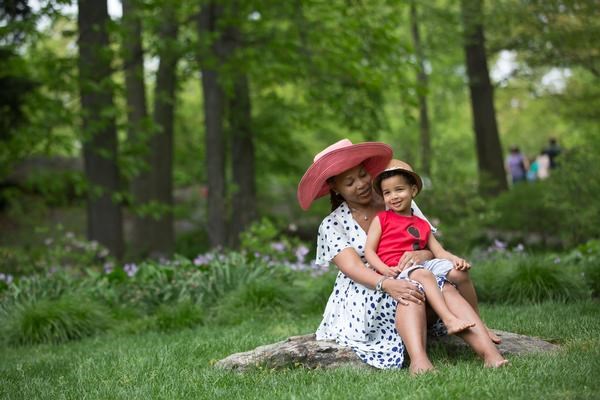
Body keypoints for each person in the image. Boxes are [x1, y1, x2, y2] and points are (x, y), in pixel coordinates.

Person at [297, 139, 508, 374]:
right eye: (349, 182)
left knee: (444, 286)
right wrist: (388, 283)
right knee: (412, 291)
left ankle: (490, 354)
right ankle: (420, 361)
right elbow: (354, 269)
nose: (361, 184)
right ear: (335, 187)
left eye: (363, 174)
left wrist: (420, 254)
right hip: (367, 290)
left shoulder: (394, 198)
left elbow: (426, 242)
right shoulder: (332, 225)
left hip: (412, 271)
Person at [364, 159, 475, 335]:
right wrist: (383, 269)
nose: (393, 196)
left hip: (420, 266)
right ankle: (449, 319)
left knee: (459, 273)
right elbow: (369, 250)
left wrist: (455, 260)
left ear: (413, 190)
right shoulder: (382, 219)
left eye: (399, 189)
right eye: (387, 192)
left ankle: (477, 323)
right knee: (423, 274)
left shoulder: (422, 224)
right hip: (396, 270)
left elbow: (439, 252)